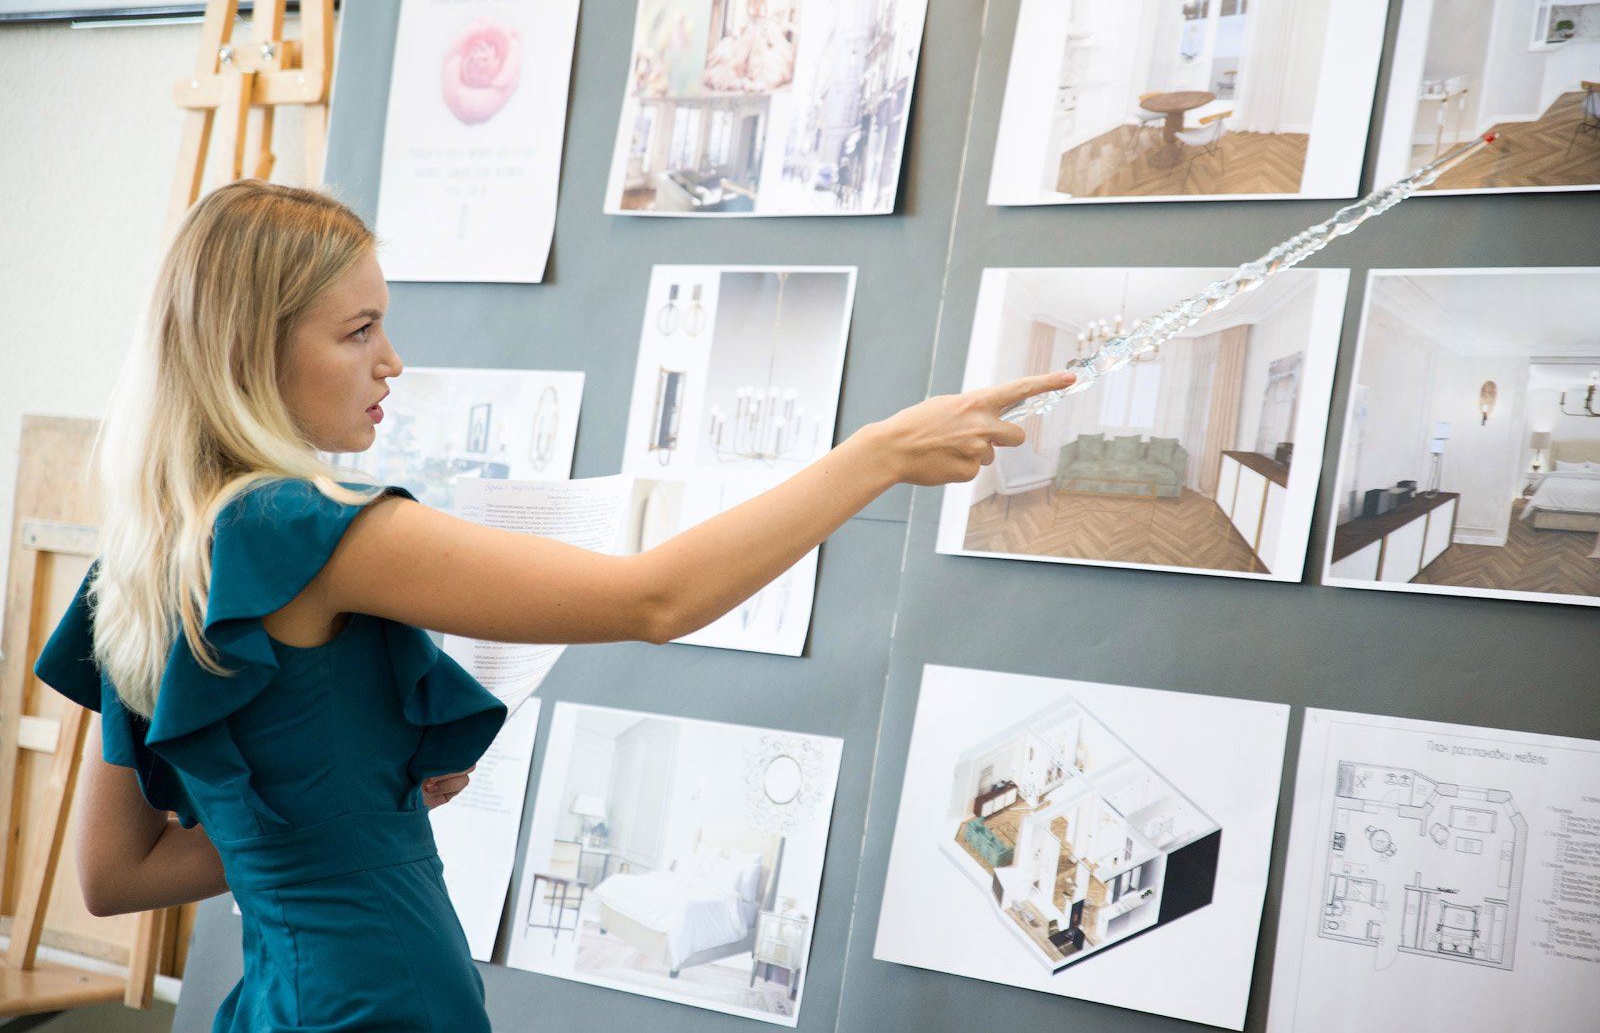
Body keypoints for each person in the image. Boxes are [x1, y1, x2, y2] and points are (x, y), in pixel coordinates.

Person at [32, 179, 1073, 1031]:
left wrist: (335, 819)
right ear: (250, 353)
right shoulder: (294, 527)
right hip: (379, 1004)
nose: (391, 360)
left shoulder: (146, 554)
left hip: (285, 1001)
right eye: (358, 331)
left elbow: (114, 874)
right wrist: (879, 454)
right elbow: (656, 598)